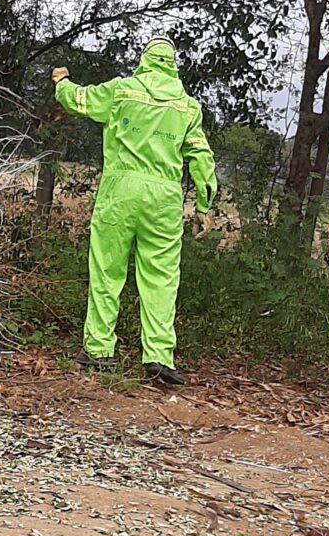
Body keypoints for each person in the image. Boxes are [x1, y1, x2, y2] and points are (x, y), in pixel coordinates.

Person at [53, 36, 217, 387]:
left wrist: (61, 82)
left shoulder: (122, 90)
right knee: (161, 278)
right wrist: (205, 205)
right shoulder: (188, 107)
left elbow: (78, 100)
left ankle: (98, 350)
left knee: (107, 270)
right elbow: (201, 158)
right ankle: (159, 358)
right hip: (165, 199)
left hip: (121, 191)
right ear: (173, 66)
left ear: (144, 60)